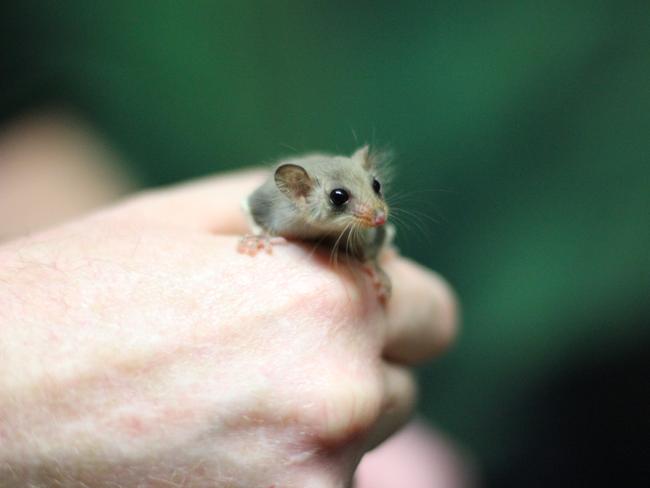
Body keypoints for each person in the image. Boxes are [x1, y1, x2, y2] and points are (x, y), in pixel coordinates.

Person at [0, 113, 461, 487]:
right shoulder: (280, 203)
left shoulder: (359, 222)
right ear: (299, 191)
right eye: (342, 199)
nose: (373, 209)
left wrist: (374, 267)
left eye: (374, 191)